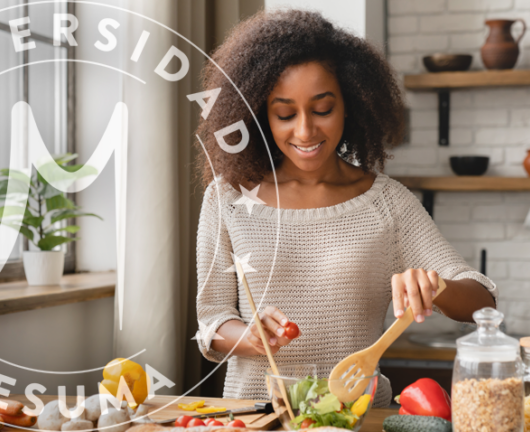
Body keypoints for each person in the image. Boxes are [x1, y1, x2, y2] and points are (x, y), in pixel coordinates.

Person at [193, 9, 496, 407]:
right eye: (285, 114)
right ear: (261, 114)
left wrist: (435, 286)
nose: (305, 131)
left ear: (350, 103)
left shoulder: (387, 203)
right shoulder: (227, 197)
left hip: (358, 418)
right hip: (255, 417)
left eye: (322, 109)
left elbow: (482, 301)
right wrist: (249, 335)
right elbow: (211, 321)